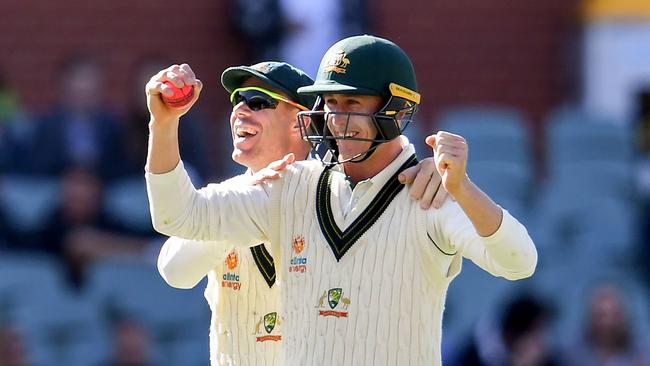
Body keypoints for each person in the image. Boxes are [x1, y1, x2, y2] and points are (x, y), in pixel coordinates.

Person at [145, 35, 537, 365]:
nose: (336, 118)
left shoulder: (430, 193)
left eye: (351, 104)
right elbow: (177, 218)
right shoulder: (290, 186)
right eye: (330, 103)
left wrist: (462, 187)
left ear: (396, 108)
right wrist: (164, 125)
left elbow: (519, 261)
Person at [155, 61, 447, 365]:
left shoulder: (335, 196)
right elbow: (175, 270)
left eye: (257, 101)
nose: (240, 110)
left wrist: (426, 169)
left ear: (300, 123)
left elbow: (385, 179)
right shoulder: (226, 199)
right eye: (236, 100)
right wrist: (241, 208)